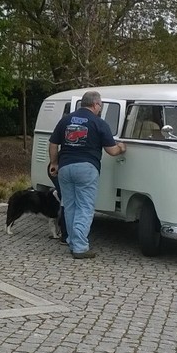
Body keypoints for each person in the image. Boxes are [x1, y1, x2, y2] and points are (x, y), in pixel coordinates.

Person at [47, 90, 125, 259]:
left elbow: (53, 143)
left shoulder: (66, 120)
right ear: (96, 104)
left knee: (70, 206)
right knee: (85, 208)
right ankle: (80, 248)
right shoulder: (99, 123)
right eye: (100, 105)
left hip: (65, 168)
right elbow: (111, 151)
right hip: (86, 168)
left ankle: (72, 242)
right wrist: (121, 148)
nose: (100, 108)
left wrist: (54, 163)